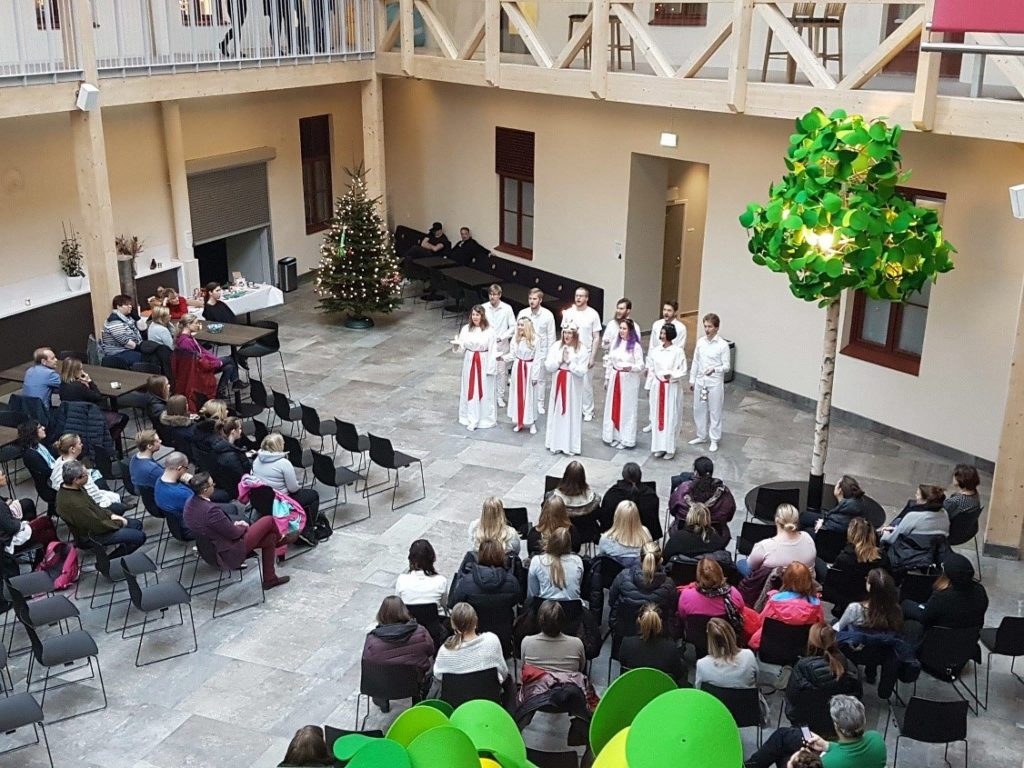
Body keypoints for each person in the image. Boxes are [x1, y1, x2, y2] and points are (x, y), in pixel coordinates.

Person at [183, 473, 290, 590]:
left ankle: (270, 579)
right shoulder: (210, 510)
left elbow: (215, 527)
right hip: (226, 552)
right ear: (205, 490)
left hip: (210, 549)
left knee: (270, 539)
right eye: (212, 484)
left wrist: (232, 525)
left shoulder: (190, 503)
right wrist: (242, 526)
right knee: (268, 520)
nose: (214, 486)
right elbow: (234, 534)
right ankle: (282, 539)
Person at [744, 695, 887, 768]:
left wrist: (795, 761)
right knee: (785, 737)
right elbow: (851, 750)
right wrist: (827, 746)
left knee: (782, 745)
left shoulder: (826, 762)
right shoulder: (877, 741)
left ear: (836, 725)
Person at [361, 596, 435, 711]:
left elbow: (368, 663)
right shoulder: (421, 632)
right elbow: (431, 650)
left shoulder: (372, 640)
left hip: (383, 685)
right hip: (414, 683)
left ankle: (383, 704)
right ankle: (417, 701)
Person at [56, 461, 145, 556]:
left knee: (136, 525)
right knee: (139, 537)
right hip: (93, 535)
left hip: (99, 522)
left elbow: (95, 506)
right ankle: (110, 562)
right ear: (76, 480)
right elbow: (97, 526)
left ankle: (122, 547)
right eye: (86, 475)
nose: (89, 477)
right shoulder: (76, 504)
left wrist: (112, 515)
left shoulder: (74, 488)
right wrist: (120, 522)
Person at [900, 552, 988, 644]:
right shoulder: (980, 591)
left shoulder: (941, 597)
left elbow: (924, 618)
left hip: (937, 644)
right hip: (966, 644)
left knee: (906, 606)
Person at [785, 624, 862, 725]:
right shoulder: (848, 667)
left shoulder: (800, 667)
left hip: (805, 726)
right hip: (836, 726)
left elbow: (792, 698)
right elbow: (856, 697)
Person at [749, 562, 825, 650]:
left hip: (772, 646)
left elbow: (762, 621)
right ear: (809, 580)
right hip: (802, 648)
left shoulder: (775, 600)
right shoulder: (816, 604)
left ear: (785, 579)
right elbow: (820, 626)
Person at [608, 541, 677, 633]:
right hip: (658, 632)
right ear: (661, 560)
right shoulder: (669, 585)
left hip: (626, 631)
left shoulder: (623, 577)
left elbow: (611, 601)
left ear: (640, 558)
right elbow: (672, 610)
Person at [251, 433, 321, 522]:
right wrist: (297, 484)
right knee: (313, 495)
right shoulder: (284, 463)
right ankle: (308, 528)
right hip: (279, 502)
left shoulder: (256, 460)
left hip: (261, 501)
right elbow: (293, 489)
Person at [822, 518, 889, 612]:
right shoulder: (882, 556)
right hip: (871, 599)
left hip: (848, 599)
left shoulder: (845, 559)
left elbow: (831, 588)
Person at [433, 602, 508, 684]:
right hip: (488, 695)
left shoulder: (445, 651)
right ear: (475, 621)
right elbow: (503, 672)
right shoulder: (492, 640)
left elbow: (438, 676)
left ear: (453, 625)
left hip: (456, 695)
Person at [879, 484, 949, 570]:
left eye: (918, 494)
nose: (915, 496)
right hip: (927, 550)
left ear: (925, 500)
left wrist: (885, 533)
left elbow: (891, 539)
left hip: (905, 554)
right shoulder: (944, 514)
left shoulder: (913, 516)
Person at [58, 357, 129, 442]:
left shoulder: (62, 385)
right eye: (80, 369)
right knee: (122, 418)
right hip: (87, 416)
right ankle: (106, 440)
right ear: (75, 371)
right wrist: (90, 381)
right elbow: (98, 397)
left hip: (71, 417)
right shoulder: (79, 387)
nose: (82, 371)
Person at [688, 312, 730, 452]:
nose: (707, 329)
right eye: (705, 326)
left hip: (714, 383)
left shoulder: (722, 345)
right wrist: (692, 379)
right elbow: (696, 361)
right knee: (698, 408)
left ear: (716, 328)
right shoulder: (700, 342)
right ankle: (701, 435)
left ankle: (714, 438)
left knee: (714, 410)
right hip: (701, 381)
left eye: (710, 326)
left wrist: (715, 369)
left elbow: (726, 366)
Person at [451, 305, 498, 431]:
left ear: (482, 316)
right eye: (473, 315)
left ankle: (484, 418)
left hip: (483, 360)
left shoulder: (490, 331)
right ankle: (470, 417)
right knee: (470, 388)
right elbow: (461, 347)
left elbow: (493, 349)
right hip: (470, 360)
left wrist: (491, 368)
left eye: (478, 315)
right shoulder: (466, 329)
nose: (475, 317)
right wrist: (457, 346)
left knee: (483, 389)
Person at [49, 433, 124, 511]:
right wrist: (107, 500)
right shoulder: (77, 470)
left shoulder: (59, 460)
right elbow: (94, 496)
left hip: (71, 500)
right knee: (115, 500)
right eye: (79, 443)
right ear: (72, 449)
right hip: (85, 505)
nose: (82, 445)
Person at [738, 503, 817, 577]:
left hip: (773, 587)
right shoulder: (808, 538)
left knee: (741, 563)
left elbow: (751, 566)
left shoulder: (765, 546)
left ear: (776, 520)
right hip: (804, 585)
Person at [544, 326, 589, 455]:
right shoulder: (556, 346)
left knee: (571, 411)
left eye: (570, 333)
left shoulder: (581, 349)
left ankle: (570, 444)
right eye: (565, 333)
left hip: (572, 384)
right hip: (559, 381)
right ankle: (555, 442)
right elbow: (548, 365)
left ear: (575, 334)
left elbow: (582, 371)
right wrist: (559, 361)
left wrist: (570, 363)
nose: (567, 336)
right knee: (557, 410)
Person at [559, 288, 602, 421]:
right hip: (570, 351)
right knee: (569, 381)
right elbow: (563, 334)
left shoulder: (593, 314)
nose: (578, 298)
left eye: (581, 296)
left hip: (585, 352)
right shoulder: (569, 313)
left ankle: (588, 410)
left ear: (587, 298)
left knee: (586, 383)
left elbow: (596, 337)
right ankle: (572, 407)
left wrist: (593, 356)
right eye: (577, 296)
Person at [677, 557, 746, 638]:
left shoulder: (686, 596)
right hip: (725, 642)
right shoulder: (734, 595)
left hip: (697, 642)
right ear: (720, 573)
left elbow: (682, 616)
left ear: (699, 576)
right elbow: (740, 612)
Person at [602, 318, 645, 450]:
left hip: (628, 380)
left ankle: (625, 437)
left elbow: (641, 365)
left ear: (630, 331)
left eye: (624, 328)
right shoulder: (615, 343)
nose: (621, 331)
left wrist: (630, 368)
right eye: (620, 328)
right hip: (616, 377)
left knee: (626, 408)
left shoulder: (635, 347)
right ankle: (613, 435)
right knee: (613, 405)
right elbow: (610, 361)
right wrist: (607, 378)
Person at [646, 323, 687, 459]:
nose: (662, 336)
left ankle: (670, 448)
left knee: (670, 416)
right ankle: (658, 446)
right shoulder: (656, 351)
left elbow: (682, 370)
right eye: (661, 333)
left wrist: (672, 375)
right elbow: (651, 369)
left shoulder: (677, 352)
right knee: (657, 416)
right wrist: (649, 386)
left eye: (664, 333)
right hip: (658, 386)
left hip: (671, 387)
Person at [618, 604, 687, 685]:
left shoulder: (627, 644)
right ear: (660, 622)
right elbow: (678, 674)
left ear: (639, 621)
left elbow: (624, 665)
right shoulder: (670, 648)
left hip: (634, 689)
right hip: (662, 693)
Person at [669, 456, 736, 538]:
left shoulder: (683, 489)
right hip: (716, 538)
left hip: (681, 535)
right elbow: (729, 516)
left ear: (696, 473)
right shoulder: (724, 493)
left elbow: (672, 510)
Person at [175, 314, 240, 396]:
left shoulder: (185, 338)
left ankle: (221, 391)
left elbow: (202, 353)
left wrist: (214, 360)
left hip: (201, 366)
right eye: (196, 323)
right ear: (188, 325)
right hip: (200, 369)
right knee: (230, 359)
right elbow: (200, 360)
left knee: (229, 367)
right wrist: (216, 362)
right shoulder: (186, 342)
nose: (198, 325)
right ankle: (235, 382)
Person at [0, 472, 57, 564]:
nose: (4, 476)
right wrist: (22, 523)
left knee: (28, 504)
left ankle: (42, 554)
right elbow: (12, 528)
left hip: (6, 533)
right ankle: (48, 559)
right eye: (2, 475)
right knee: (46, 526)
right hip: (7, 543)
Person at [448, 539, 521, 608]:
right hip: (504, 620)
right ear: (501, 556)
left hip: (474, 620)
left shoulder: (466, 581)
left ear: (480, 555)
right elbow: (516, 600)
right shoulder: (512, 582)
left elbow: (455, 602)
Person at [517, 288, 556, 414]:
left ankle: (539, 403)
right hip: (526, 351)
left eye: (534, 299)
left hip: (542, 351)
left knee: (540, 379)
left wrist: (550, 354)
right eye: (530, 299)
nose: (532, 301)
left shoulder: (548, 315)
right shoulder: (523, 313)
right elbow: (518, 332)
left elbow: (551, 336)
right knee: (525, 377)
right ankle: (525, 400)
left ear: (540, 300)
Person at [598, 462, 661, 539]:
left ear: (623, 475)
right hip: (643, 538)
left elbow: (604, 519)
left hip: (616, 537)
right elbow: (653, 522)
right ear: (640, 476)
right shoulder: (650, 496)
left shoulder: (612, 494)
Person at [694, 617, 760, 690]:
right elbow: (757, 680)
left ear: (710, 641)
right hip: (747, 700)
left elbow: (700, 691)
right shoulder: (749, 655)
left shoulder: (702, 664)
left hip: (716, 701)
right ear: (732, 634)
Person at [522, 599, 586, 673]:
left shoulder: (526, 642)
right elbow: (581, 669)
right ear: (563, 620)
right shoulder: (577, 644)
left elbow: (524, 668)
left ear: (539, 620)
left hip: (536, 684)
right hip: (567, 683)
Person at [832, 568, 903, 634]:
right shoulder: (896, 609)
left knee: (834, 622)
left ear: (870, 587)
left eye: (867, 580)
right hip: (882, 642)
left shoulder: (854, 608)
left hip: (857, 642)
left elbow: (840, 627)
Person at [527, 527, 584, 602]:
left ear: (550, 542)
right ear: (569, 544)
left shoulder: (537, 561)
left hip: (544, 610)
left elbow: (532, 595)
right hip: (572, 610)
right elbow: (578, 584)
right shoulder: (577, 561)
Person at [663, 501, 730, 562]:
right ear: (707, 518)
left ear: (689, 517)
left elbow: (665, 559)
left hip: (679, 573)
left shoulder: (678, 538)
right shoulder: (716, 539)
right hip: (706, 574)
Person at [484, 285, 516, 408]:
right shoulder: (484, 308)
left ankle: (500, 396)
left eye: (495, 294)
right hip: (487, 345)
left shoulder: (507, 309)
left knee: (501, 373)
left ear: (500, 295)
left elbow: (513, 327)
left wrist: (502, 337)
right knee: (488, 371)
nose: (492, 297)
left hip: (501, 346)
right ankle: (488, 395)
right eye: (491, 294)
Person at [505, 317, 539, 433]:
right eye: (518, 325)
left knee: (530, 395)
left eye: (522, 325)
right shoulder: (515, 339)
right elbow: (513, 354)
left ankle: (532, 422)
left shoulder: (535, 339)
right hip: (518, 367)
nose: (519, 327)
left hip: (529, 368)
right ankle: (519, 421)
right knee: (517, 393)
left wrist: (535, 375)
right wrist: (502, 358)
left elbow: (538, 359)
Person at [802, 476, 867, 534]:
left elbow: (835, 526)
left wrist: (821, 526)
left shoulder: (844, 513)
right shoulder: (855, 504)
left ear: (839, 491)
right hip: (831, 525)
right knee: (804, 516)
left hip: (828, 535)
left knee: (806, 530)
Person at [395, 539, 448, 607]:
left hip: (408, 617)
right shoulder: (441, 581)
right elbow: (444, 604)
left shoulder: (402, 580)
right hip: (432, 617)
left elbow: (398, 605)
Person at [597, 501, 652, 565]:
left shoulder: (605, 539)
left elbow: (602, 560)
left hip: (614, 574)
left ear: (616, 516)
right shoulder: (645, 534)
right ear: (637, 516)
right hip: (641, 573)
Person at [154, 452, 194, 535]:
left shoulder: (158, 481)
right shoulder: (183, 493)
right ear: (179, 468)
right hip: (190, 528)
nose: (186, 471)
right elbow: (203, 504)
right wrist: (193, 482)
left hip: (176, 528)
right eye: (186, 468)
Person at [99, 294, 144, 366]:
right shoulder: (114, 321)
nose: (130, 306)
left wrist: (137, 318)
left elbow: (143, 329)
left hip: (127, 349)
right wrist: (142, 348)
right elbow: (127, 343)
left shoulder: (127, 318)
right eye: (127, 304)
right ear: (118, 306)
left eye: (130, 304)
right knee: (145, 357)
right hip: (118, 353)